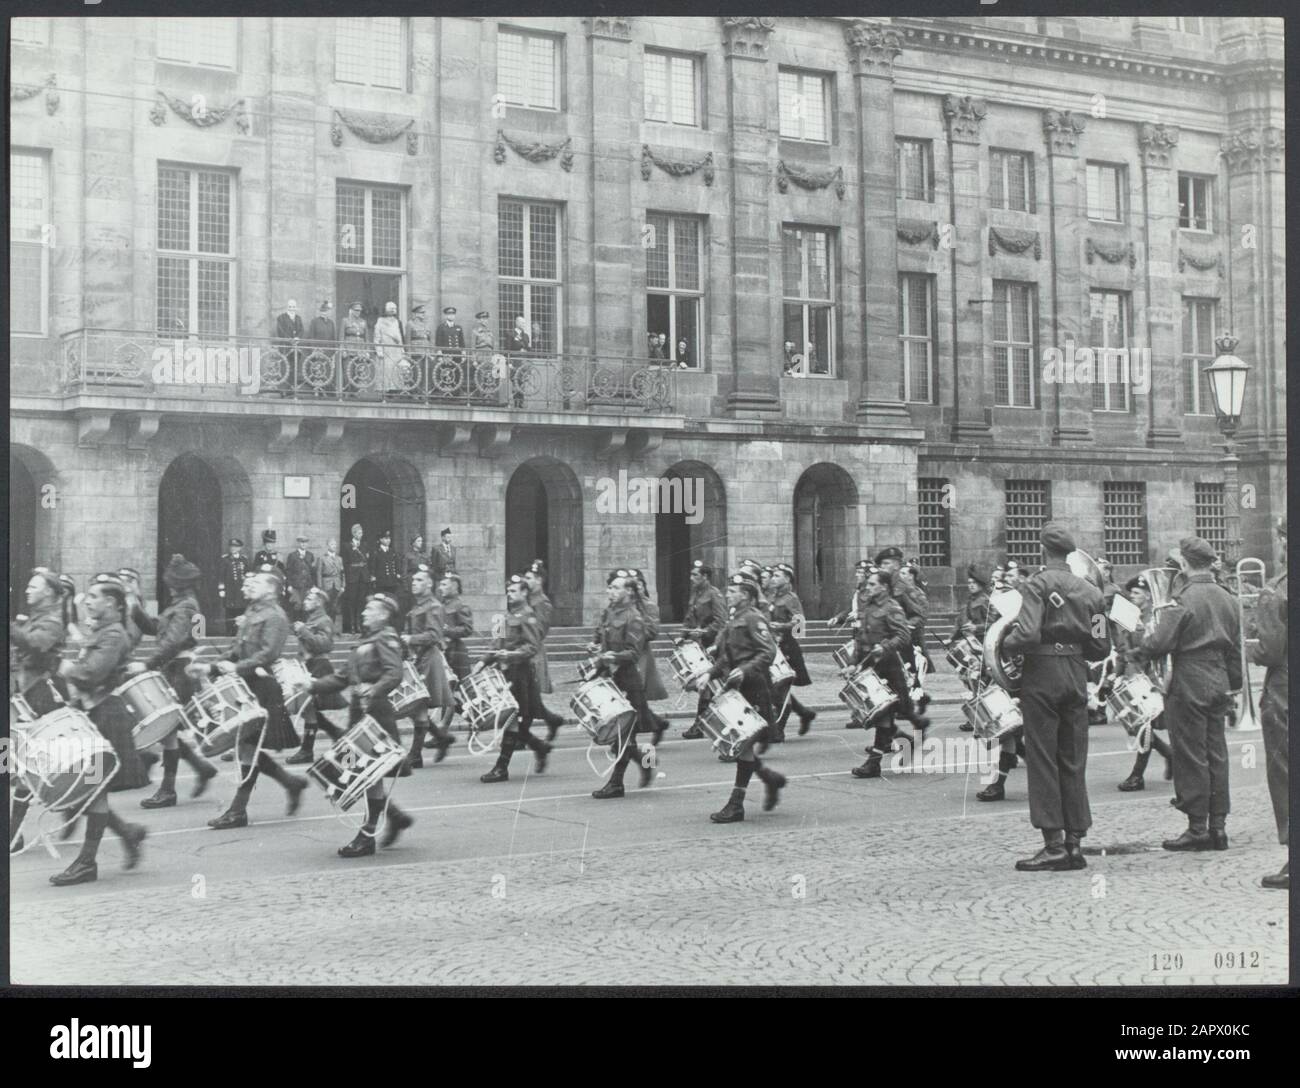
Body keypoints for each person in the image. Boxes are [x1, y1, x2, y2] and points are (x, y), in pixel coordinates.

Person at [1002, 523, 1109, 872]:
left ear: (1043, 550)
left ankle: (1053, 845)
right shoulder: (1092, 592)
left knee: (1043, 758)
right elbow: (1101, 646)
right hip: (1076, 674)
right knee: (1073, 757)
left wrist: (1006, 643)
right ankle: (1075, 844)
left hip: (1043, 675)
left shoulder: (1036, 585)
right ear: (1071, 553)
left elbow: (1029, 632)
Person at [1139, 536, 1240, 853]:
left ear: (1183, 563)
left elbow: (1157, 645)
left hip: (1189, 679)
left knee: (1191, 755)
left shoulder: (1182, 599)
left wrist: (1145, 632)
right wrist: (1233, 685)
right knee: (1216, 754)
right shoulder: (1228, 597)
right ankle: (1218, 827)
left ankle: (1197, 828)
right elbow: (1235, 649)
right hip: (1219, 677)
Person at [47, 579, 147, 885]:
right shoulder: (102, 631)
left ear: (113, 604)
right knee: (89, 789)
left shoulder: (114, 634)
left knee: (93, 788)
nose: (87, 601)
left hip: (108, 720)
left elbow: (92, 673)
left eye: (94, 597)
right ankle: (128, 833)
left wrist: (66, 668)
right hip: (96, 715)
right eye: (87, 596)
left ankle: (87, 863)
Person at [304, 593, 415, 857]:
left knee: (365, 774)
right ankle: (394, 818)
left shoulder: (386, 638)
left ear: (383, 615)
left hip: (376, 713)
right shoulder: (364, 642)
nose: (364, 612)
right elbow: (342, 677)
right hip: (360, 714)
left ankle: (367, 836)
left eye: (370, 609)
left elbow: (394, 672)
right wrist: (311, 685)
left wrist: (373, 690)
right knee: (359, 774)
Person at [205, 568, 310, 830]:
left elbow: (267, 654)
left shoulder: (275, 616)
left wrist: (237, 668)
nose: (249, 585)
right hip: (246, 683)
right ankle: (290, 783)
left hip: (261, 686)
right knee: (246, 747)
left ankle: (238, 810)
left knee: (247, 748)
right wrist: (214, 666)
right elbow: (237, 648)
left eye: (257, 582)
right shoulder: (253, 611)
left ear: (272, 589)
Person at [692, 573, 786, 823]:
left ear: (745, 594)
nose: (727, 594)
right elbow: (727, 657)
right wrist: (709, 673)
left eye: (732, 591)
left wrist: (745, 669)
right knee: (741, 747)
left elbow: (769, 651)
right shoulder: (735, 619)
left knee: (742, 746)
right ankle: (769, 780)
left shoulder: (754, 618)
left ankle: (736, 804)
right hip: (737, 687)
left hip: (754, 686)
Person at [128, 554, 219, 807]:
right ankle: (199, 770)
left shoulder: (186, 606)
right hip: (174, 668)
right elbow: (154, 627)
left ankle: (169, 789)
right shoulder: (178, 605)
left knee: (168, 729)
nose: (167, 585)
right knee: (170, 730)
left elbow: (173, 641)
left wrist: (147, 664)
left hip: (179, 670)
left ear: (177, 584)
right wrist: (134, 603)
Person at [846, 569, 931, 780]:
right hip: (870, 668)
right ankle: (906, 741)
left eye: (873, 584)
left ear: (884, 587)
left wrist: (885, 647)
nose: (868, 588)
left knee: (882, 714)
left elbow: (903, 636)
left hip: (889, 667)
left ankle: (874, 763)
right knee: (879, 715)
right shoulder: (867, 608)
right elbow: (860, 640)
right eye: (868, 584)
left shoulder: (892, 608)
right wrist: (851, 663)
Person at [10, 567, 71, 854]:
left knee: (28, 765)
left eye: (34, 587)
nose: (27, 590)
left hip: (42, 696)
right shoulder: (35, 618)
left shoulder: (52, 621)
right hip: (25, 694)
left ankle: (13, 832)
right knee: (15, 762)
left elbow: (35, 646)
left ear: (48, 592)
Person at [589, 571, 658, 800]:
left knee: (623, 734)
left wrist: (613, 657)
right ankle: (646, 764)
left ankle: (616, 783)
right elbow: (600, 635)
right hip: (611, 678)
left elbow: (634, 652)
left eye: (616, 588)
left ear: (629, 591)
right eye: (610, 588)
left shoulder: (634, 617)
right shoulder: (609, 612)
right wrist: (596, 647)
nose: (611, 592)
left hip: (628, 680)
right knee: (624, 735)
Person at [478, 575, 552, 783]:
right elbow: (496, 642)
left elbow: (532, 647)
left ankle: (501, 768)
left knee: (510, 719)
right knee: (509, 720)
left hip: (520, 674)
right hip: (505, 673)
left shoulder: (528, 616)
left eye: (513, 591)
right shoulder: (503, 617)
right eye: (508, 591)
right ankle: (540, 747)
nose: (509, 595)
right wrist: (483, 660)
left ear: (524, 593)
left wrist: (511, 655)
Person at [1251, 518, 1288, 889]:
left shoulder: (1276, 590)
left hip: (1285, 690)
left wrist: (1254, 650)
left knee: (1286, 771)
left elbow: (1272, 650)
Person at [1115, 574, 1174, 791]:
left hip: (1152, 677)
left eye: (1137, 593)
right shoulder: (1129, 615)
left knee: (1143, 725)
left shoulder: (1156, 616)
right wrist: (1116, 673)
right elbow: (1122, 648)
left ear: (1149, 595)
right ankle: (1169, 754)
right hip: (1134, 676)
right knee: (1137, 725)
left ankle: (1137, 775)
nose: (1132, 596)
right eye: (1131, 593)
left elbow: (1156, 646)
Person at [402, 565, 458, 767]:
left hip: (428, 658)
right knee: (414, 705)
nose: (414, 583)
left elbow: (434, 635)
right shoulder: (418, 606)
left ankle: (416, 754)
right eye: (413, 579)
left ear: (429, 584)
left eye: (419, 580)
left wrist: (410, 638)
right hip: (418, 658)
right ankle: (440, 737)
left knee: (417, 705)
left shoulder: (433, 606)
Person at [285, 587, 347, 765]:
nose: (305, 601)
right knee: (308, 708)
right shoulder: (312, 619)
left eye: (309, 599)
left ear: (319, 602)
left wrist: (304, 631)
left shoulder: (324, 620)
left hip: (320, 665)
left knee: (307, 707)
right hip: (310, 664)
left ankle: (308, 750)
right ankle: (334, 733)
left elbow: (326, 644)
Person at [768, 563, 816, 740]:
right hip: (774, 646)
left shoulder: (791, 598)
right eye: (773, 575)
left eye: (777, 575)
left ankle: (778, 729)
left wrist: (781, 626)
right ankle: (804, 713)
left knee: (781, 689)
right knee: (777, 688)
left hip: (787, 647)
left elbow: (800, 625)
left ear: (787, 579)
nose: (773, 578)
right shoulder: (773, 597)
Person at [680, 560, 727, 740]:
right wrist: (683, 634)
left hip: (713, 645)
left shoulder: (714, 594)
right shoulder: (696, 594)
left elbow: (721, 621)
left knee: (709, 687)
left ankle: (700, 726)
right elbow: (689, 617)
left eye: (695, 575)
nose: (691, 578)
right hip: (700, 645)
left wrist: (707, 631)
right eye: (691, 575)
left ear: (705, 577)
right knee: (708, 687)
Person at [523, 561, 567, 741]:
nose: (525, 581)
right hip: (521, 650)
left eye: (529, 578)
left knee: (527, 695)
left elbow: (538, 632)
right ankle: (552, 720)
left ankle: (521, 736)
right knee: (529, 697)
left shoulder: (542, 603)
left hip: (532, 653)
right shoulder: (523, 599)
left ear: (539, 580)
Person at [343, 524, 371, 635]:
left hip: (363, 577)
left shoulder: (365, 545)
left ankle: (360, 624)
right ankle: (352, 625)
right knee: (352, 602)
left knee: (361, 602)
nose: (361, 534)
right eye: (359, 533)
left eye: (362, 532)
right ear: (354, 533)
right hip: (352, 577)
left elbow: (367, 561)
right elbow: (345, 563)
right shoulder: (347, 546)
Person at [374, 300, 406, 393]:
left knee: (396, 372)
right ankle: (386, 393)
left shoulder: (398, 322)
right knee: (386, 372)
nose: (393, 310)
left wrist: (403, 350)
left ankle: (396, 392)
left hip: (396, 351)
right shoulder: (380, 321)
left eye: (394, 309)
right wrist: (379, 350)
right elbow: (377, 337)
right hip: (385, 351)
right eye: (391, 308)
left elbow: (401, 338)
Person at [285, 536, 318, 621]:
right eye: (302, 542)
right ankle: (296, 627)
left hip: (307, 585)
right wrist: (289, 585)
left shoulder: (310, 555)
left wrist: (314, 585)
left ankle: (304, 627)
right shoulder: (292, 555)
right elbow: (288, 571)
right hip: (296, 586)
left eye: (305, 542)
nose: (304, 544)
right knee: (297, 605)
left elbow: (313, 572)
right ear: (299, 543)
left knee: (306, 606)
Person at [274, 298, 304, 394]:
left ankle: (292, 389)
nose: (292, 309)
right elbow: (280, 331)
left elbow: (302, 330)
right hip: (285, 347)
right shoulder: (281, 318)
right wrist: (290, 340)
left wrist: (298, 338)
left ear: (296, 308)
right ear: (287, 307)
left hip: (296, 348)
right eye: (290, 307)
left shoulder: (298, 318)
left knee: (294, 368)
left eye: (294, 307)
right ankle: (283, 390)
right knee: (284, 368)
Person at [341, 300, 370, 396]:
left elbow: (366, 338)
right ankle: (346, 391)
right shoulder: (345, 321)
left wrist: (367, 350)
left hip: (360, 350)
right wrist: (343, 349)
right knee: (348, 372)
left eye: (359, 311)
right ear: (351, 310)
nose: (358, 312)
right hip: (349, 349)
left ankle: (355, 392)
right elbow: (341, 337)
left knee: (358, 371)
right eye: (356, 310)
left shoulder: (363, 322)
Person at [406, 302, 433, 394]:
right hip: (415, 352)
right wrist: (408, 354)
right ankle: (414, 392)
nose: (423, 315)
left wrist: (431, 352)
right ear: (416, 314)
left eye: (424, 313)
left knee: (426, 373)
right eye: (422, 313)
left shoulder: (426, 324)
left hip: (426, 351)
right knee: (416, 373)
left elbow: (430, 339)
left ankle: (424, 392)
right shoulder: (410, 324)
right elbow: (407, 340)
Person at [369, 528, 402, 602]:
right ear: (380, 539)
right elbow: (372, 567)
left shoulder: (392, 551)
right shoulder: (376, 552)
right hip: (381, 582)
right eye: (386, 538)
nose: (388, 540)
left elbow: (397, 564)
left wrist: (398, 574)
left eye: (389, 538)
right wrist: (373, 577)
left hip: (392, 581)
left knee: (391, 600)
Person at [318, 538, 344, 620]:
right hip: (326, 584)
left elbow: (342, 573)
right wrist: (320, 587)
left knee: (335, 607)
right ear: (327, 546)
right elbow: (318, 573)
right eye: (332, 544)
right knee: (326, 606)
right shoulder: (322, 558)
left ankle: (333, 627)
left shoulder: (339, 559)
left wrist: (343, 586)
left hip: (336, 585)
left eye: (335, 544)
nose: (334, 546)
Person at [507, 315, 530, 407]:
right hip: (515, 360)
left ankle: (521, 402)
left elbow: (528, 347)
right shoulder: (510, 334)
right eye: (521, 322)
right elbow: (507, 348)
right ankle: (515, 402)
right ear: (516, 323)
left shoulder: (526, 336)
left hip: (523, 361)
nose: (523, 324)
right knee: (515, 381)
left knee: (522, 381)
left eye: (524, 323)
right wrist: (508, 362)